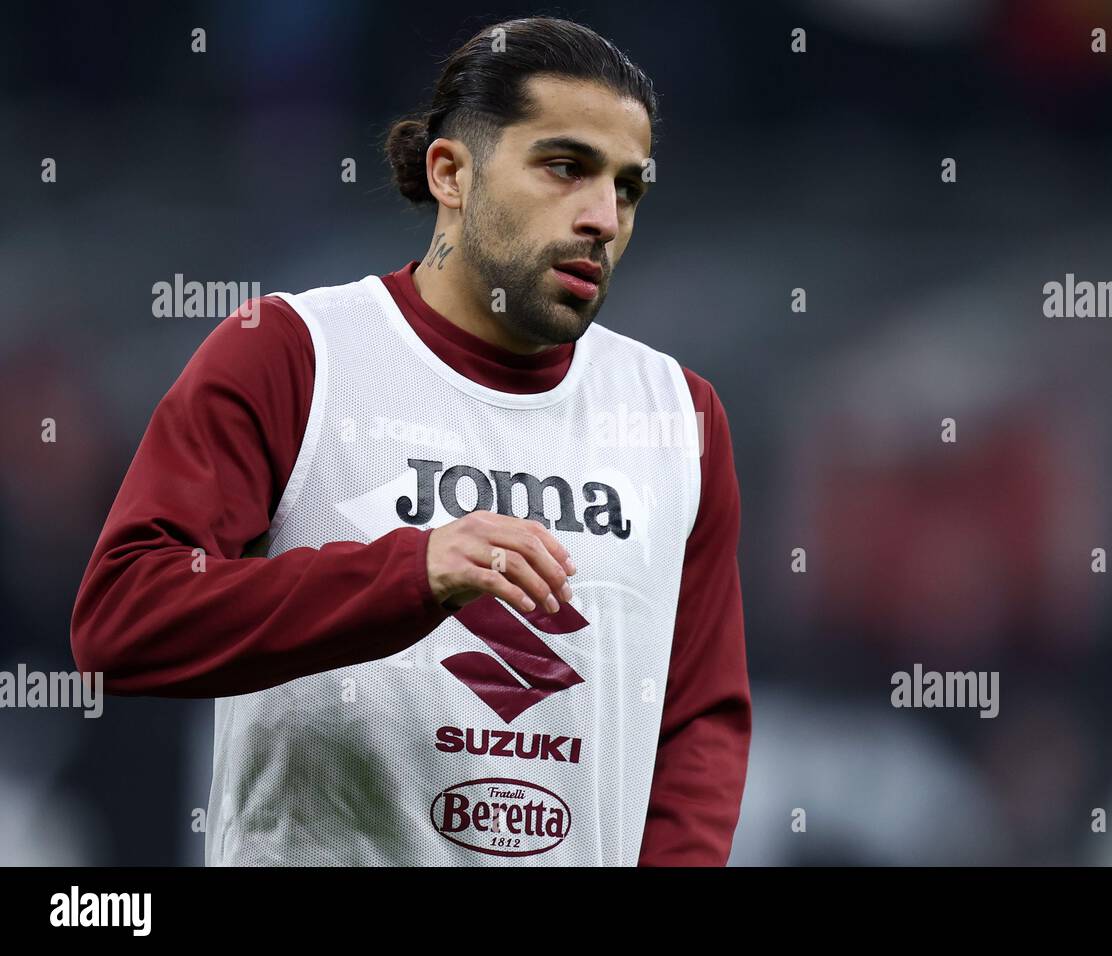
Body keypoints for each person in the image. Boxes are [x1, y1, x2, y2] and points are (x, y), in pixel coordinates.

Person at [71, 15, 750, 866]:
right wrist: (411, 572)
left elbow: (697, 724)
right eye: (566, 167)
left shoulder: (677, 415)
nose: (603, 218)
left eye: (628, 188)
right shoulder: (291, 351)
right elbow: (124, 618)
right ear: (450, 172)